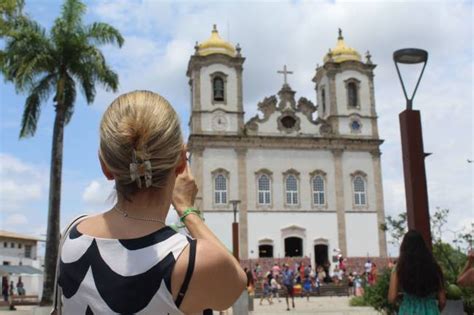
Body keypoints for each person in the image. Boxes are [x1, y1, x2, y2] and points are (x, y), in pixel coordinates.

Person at [58, 91, 247, 314]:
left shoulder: (72, 232)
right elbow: (237, 282)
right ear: (180, 162)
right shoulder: (191, 261)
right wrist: (187, 210)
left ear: (105, 166)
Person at [388, 230, 446, 314]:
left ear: (404, 247)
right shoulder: (435, 267)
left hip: (408, 310)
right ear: (423, 246)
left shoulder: (399, 268)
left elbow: (392, 298)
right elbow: (442, 301)